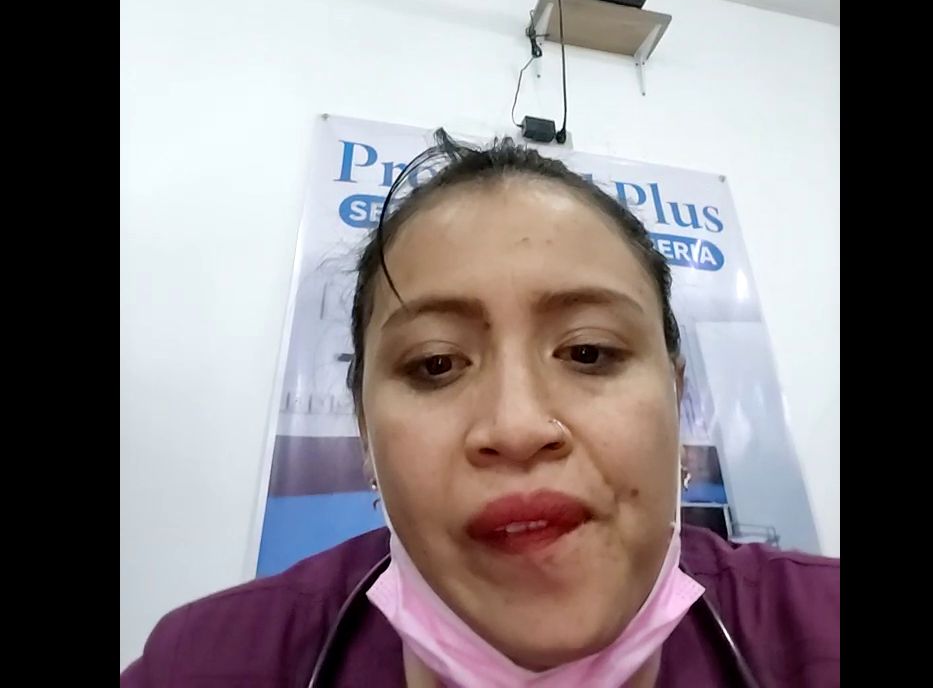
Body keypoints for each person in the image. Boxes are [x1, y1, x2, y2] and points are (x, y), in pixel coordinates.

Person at [121, 131, 839, 687]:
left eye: (589, 351)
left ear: (676, 403)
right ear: (366, 437)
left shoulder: (819, 629)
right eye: (435, 364)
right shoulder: (205, 664)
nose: (517, 427)